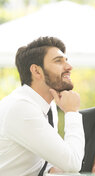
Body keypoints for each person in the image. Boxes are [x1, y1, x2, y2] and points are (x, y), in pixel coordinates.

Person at [0, 36, 85, 175]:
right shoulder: (21, 107)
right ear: (36, 71)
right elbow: (73, 163)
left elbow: (51, 159)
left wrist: (51, 169)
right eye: (58, 61)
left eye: (66, 61)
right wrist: (72, 112)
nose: (69, 67)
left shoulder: (47, 106)